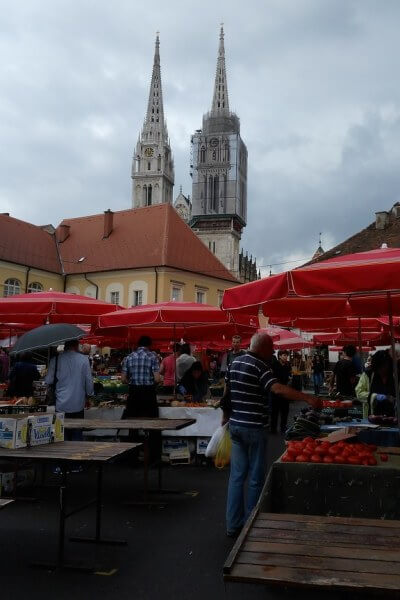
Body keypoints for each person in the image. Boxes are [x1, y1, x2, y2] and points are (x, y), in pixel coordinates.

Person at [223, 332, 323, 537]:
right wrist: (306, 397)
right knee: (255, 479)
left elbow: (227, 392)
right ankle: (251, 526)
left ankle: (233, 525)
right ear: (264, 348)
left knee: (236, 478)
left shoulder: (234, 363)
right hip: (254, 427)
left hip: (235, 425)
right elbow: (276, 388)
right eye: (271, 349)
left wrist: (225, 416)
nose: (272, 353)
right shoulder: (261, 366)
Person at [45, 340, 94, 440]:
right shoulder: (84, 359)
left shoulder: (56, 360)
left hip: (60, 404)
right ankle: (76, 454)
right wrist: (89, 395)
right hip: (78, 403)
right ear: (76, 346)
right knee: (77, 434)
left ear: (65, 346)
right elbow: (89, 381)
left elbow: (49, 380)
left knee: (62, 435)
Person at [121, 336, 161, 458]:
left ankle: (132, 458)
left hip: (134, 393)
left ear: (138, 345)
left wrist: (133, 381)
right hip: (148, 393)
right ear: (149, 345)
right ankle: (153, 458)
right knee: (153, 425)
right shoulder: (152, 357)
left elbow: (123, 379)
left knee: (133, 426)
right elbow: (157, 379)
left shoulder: (129, 357)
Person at [356, 350, 396, 416]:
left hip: (393, 416)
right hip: (372, 416)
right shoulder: (368, 375)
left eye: (385, 366)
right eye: (380, 367)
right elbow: (359, 393)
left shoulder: (395, 376)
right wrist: (375, 396)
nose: (383, 369)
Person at [270, 350, 291, 434]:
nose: (286, 357)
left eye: (286, 355)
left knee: (285, 410)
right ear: (279, 356)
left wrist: (290, 377)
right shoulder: (274, 365)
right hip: (276, 390)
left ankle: (283, 427)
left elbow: (288, 375)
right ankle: (273, 428)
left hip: (285, 391)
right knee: (275, 411)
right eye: (284, 355)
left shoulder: (287, 365)